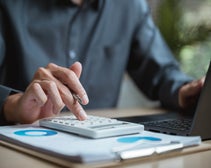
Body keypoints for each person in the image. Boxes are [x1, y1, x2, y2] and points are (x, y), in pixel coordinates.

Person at [0, 0, 204, 125]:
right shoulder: (8, 5)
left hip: (105, 146)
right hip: (21, 139)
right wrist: (11, 104)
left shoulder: (130, 5)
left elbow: (161, 72)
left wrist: (184, 91)